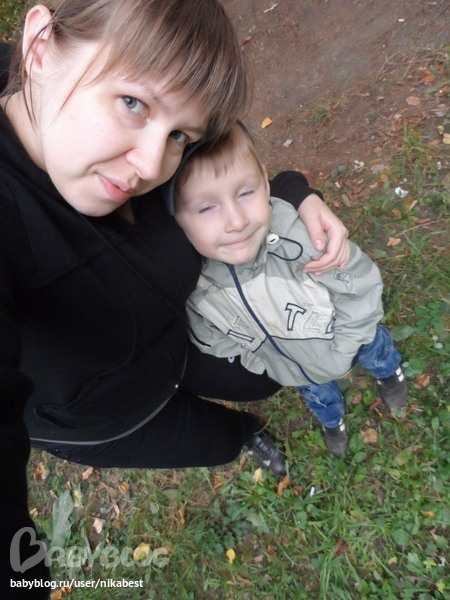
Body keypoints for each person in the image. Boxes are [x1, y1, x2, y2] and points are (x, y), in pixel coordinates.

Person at [0, 1, 350, 595]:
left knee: (264, 382)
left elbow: (224, 169)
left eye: (179, 135)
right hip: (109, 420)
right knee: (215, 442)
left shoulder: (130, 139)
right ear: (39, 45)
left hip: (182, 340)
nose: (149, 165)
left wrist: (294, 194)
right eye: (132, 103)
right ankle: (246, 439)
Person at [172, 122, 408, 463]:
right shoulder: (194, 284)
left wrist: (344, 348)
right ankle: (333, 421)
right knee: (319, 395)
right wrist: (269, 362)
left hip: (351, 338)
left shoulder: (301, 239)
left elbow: (360, 289)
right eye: (206, 208)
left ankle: (388, 372)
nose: (236, 221)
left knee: (376, 349)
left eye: (245, 192)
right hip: (295, 370)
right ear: (176, 219)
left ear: (265, 182)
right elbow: (213, 338)